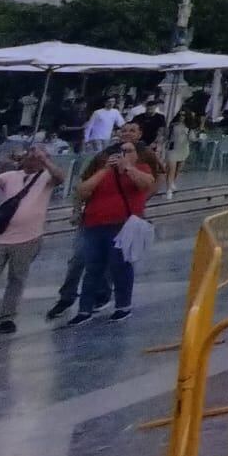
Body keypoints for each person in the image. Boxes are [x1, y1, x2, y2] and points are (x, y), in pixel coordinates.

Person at [67, 129, 158, 324]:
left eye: (128, 151)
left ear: (136, 154)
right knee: (93, 268)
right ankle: (85, 309)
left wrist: (128, 168)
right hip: (94, 224)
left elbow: (147, 184)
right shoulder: (103, 171)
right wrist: (104, 170)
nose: (122, 154)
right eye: (119, 151)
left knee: (120, 267)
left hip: (122, 225)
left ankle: (123, 305)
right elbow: (82, 191)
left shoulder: (141, 168)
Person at [0, 141, 61, 338]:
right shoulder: (11, 176)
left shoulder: (46, 177)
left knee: (17, 279)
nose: (32, 156)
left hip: (28, 238)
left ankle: (6, 318)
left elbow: (60, 177)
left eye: (37, 153)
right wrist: (1, 164)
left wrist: (45, 159)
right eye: (30, 153)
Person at [163, 108, 197, 192]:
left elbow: (192, 138)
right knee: (171, 169)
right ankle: (169, 189)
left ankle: (172, 182)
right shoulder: (173, 125)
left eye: (184, 115)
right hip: (173, 148)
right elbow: (166, 136)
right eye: (180, 115)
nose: (182, 117)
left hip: (183, 149)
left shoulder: (189, 128)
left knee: (178, 169)